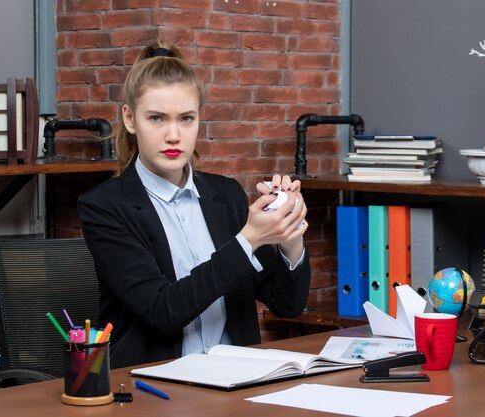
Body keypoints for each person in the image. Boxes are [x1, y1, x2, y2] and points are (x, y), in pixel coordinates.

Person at [78, 40, 311, 368]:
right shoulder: (103, 207)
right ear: (130, 119)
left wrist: (289, 237)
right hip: (154, 387)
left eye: (186, 119)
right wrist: (250, 240)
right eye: (157, 118)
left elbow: (288, 305)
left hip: (236, 381)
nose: (173, 135)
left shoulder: (225, 194)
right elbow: (162, 311)